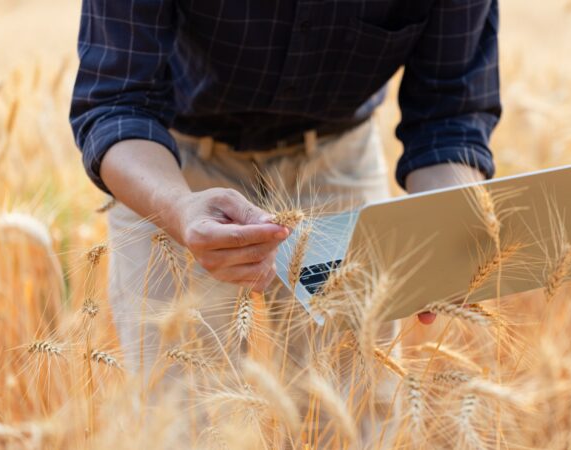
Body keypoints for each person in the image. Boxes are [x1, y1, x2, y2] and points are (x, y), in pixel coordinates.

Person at [69, 0, 499, 396]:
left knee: (352, 418)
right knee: (184, 418)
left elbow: (450, 110)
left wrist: (447, 220)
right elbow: (117, 102)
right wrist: (179, 209)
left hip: (336, 158)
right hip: (171, 165)